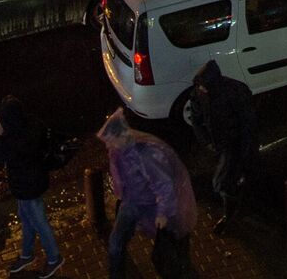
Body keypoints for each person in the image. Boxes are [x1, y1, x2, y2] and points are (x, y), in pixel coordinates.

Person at [98, 110, 196, 279]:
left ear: (121, 137)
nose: (107, 146)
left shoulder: (145, 154)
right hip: (131, 202)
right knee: (115, 243)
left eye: (110, 141)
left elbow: (164, 184)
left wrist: (163, 213)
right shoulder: (118, 150)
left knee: (169, 244)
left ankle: (180, 267)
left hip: (151, 204)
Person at [0, 96, 62, 277]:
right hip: (34, 182)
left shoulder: (12, 139)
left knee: (38, 222)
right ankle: (27, 254)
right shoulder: (33, 125)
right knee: (26, 219)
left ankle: (54, 258)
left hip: (26, 187)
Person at [191, 60, 257, 233]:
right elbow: (197, 118)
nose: (201, 90)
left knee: (223, 182)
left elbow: (248, 125)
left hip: (235, 143)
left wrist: (246, 151)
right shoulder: (201, 92)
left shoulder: (235, 92)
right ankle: (239, 198)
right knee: (231, 178)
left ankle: (231, 214)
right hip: (220, 144)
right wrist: (206, 141)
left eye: (204, 87)